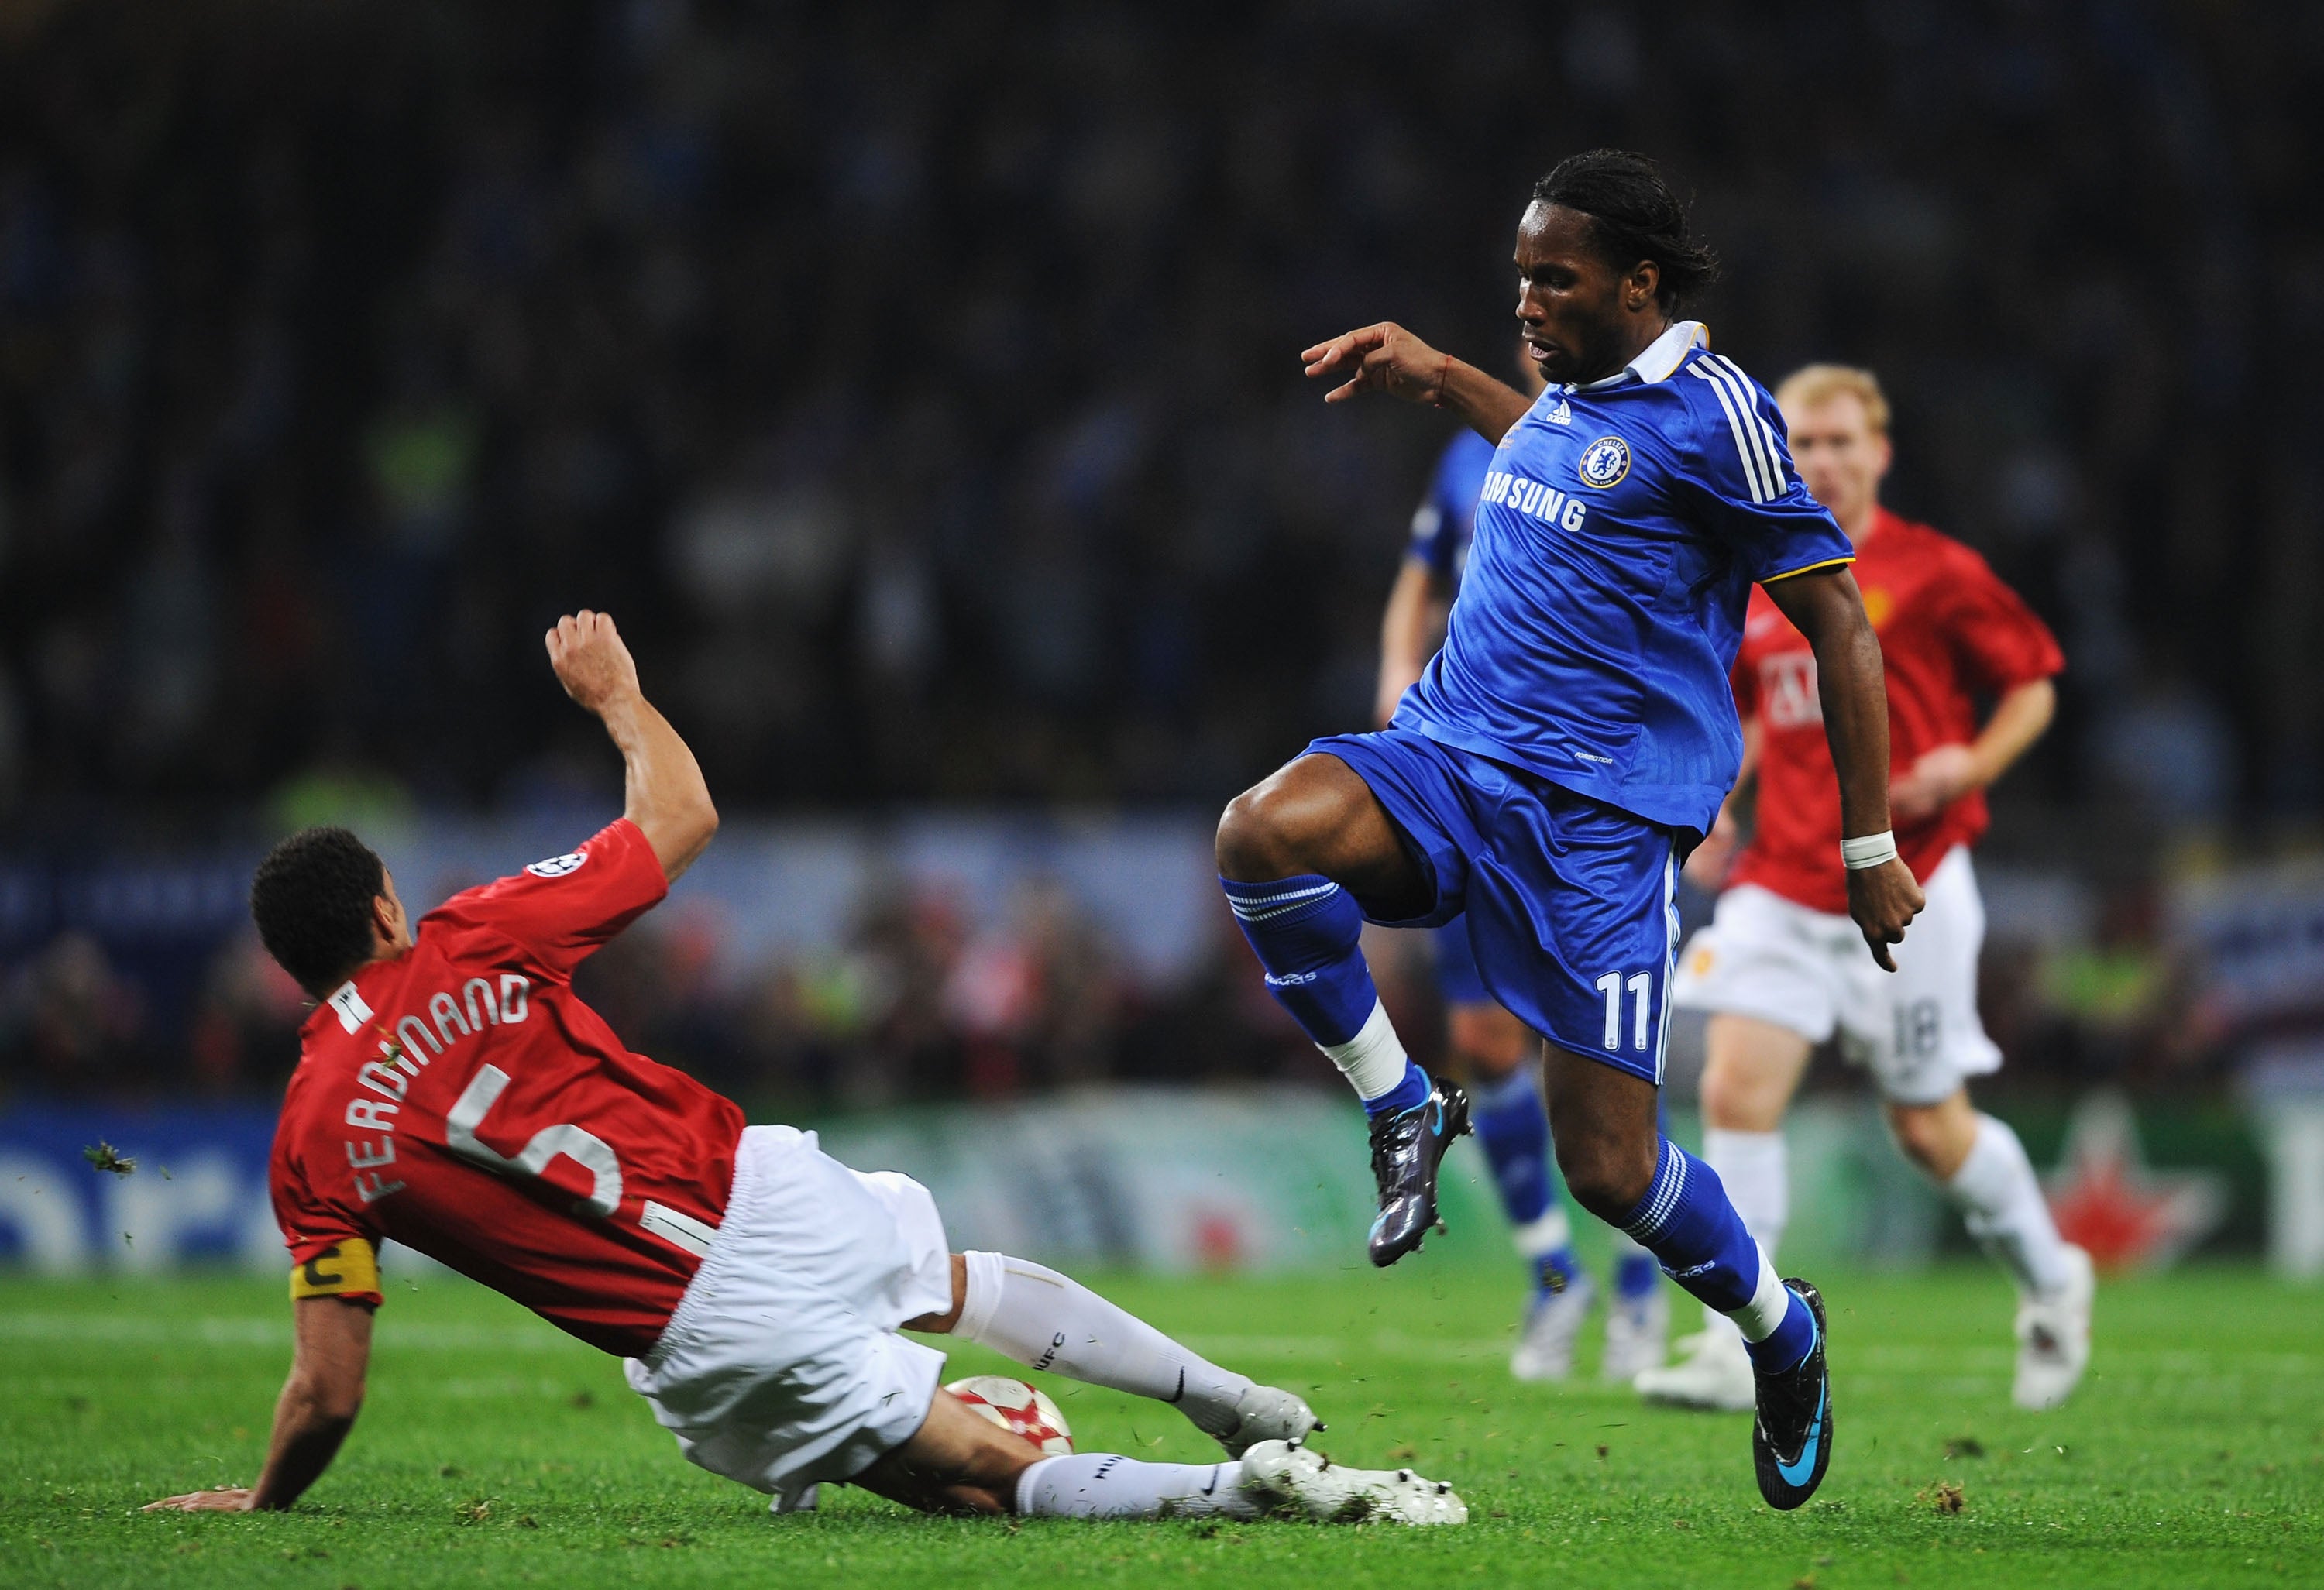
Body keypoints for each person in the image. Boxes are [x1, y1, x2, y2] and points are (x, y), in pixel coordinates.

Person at [143, 610, 1465, 1529]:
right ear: (384, 912)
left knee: (971, 1484)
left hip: (694, 1325)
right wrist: (616, 696)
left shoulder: (315, 1138)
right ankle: (1233, 1401)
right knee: (952, 1282)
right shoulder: (470, 938)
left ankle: (1241, 1495)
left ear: (289, 969)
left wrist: (266, 1496)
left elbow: (329, 1387)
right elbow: (681, 814)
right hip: (751, 1189)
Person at [1216, 149, 1923, 1510]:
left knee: (1612, 1167)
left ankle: (1783, 1328)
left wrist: (1867, 845)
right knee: (1261, 832)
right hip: (1449, 757)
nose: (1528, 300)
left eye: (1557, 277)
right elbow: (1561, 449)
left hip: (1600, 831)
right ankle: (1402, 1103)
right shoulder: (1571, 396)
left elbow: (1838, 621)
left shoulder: (1720, 414)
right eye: (1521, 275)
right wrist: (1439, 379)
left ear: (1639, 284)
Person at [1638, 365, 2092, 1414]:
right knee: (1734, 1090)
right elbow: (1758, 710)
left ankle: (2054, 1277)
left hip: (1912, 880)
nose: (1825, 460)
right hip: (1785, 881)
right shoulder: (1760, 576)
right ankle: (1730, 1337)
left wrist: (1971, 765)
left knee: (1929, 1128)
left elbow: (2032, 682)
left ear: (1881, 452)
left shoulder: (1934, 572)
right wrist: (1720, 797)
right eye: (1804, 442)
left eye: (1844, 440)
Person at [1378, 349, 1667, 1384]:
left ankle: (1640, 1292)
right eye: (1526, 307)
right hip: (1472, 765)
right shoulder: (1472, 455)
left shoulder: (1648, 447)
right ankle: (1556, 1278)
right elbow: (1419, 578)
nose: (1538, 329)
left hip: (1590, 786)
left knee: (1603, 1048)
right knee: (1481, 1036)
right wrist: (1396, 677)